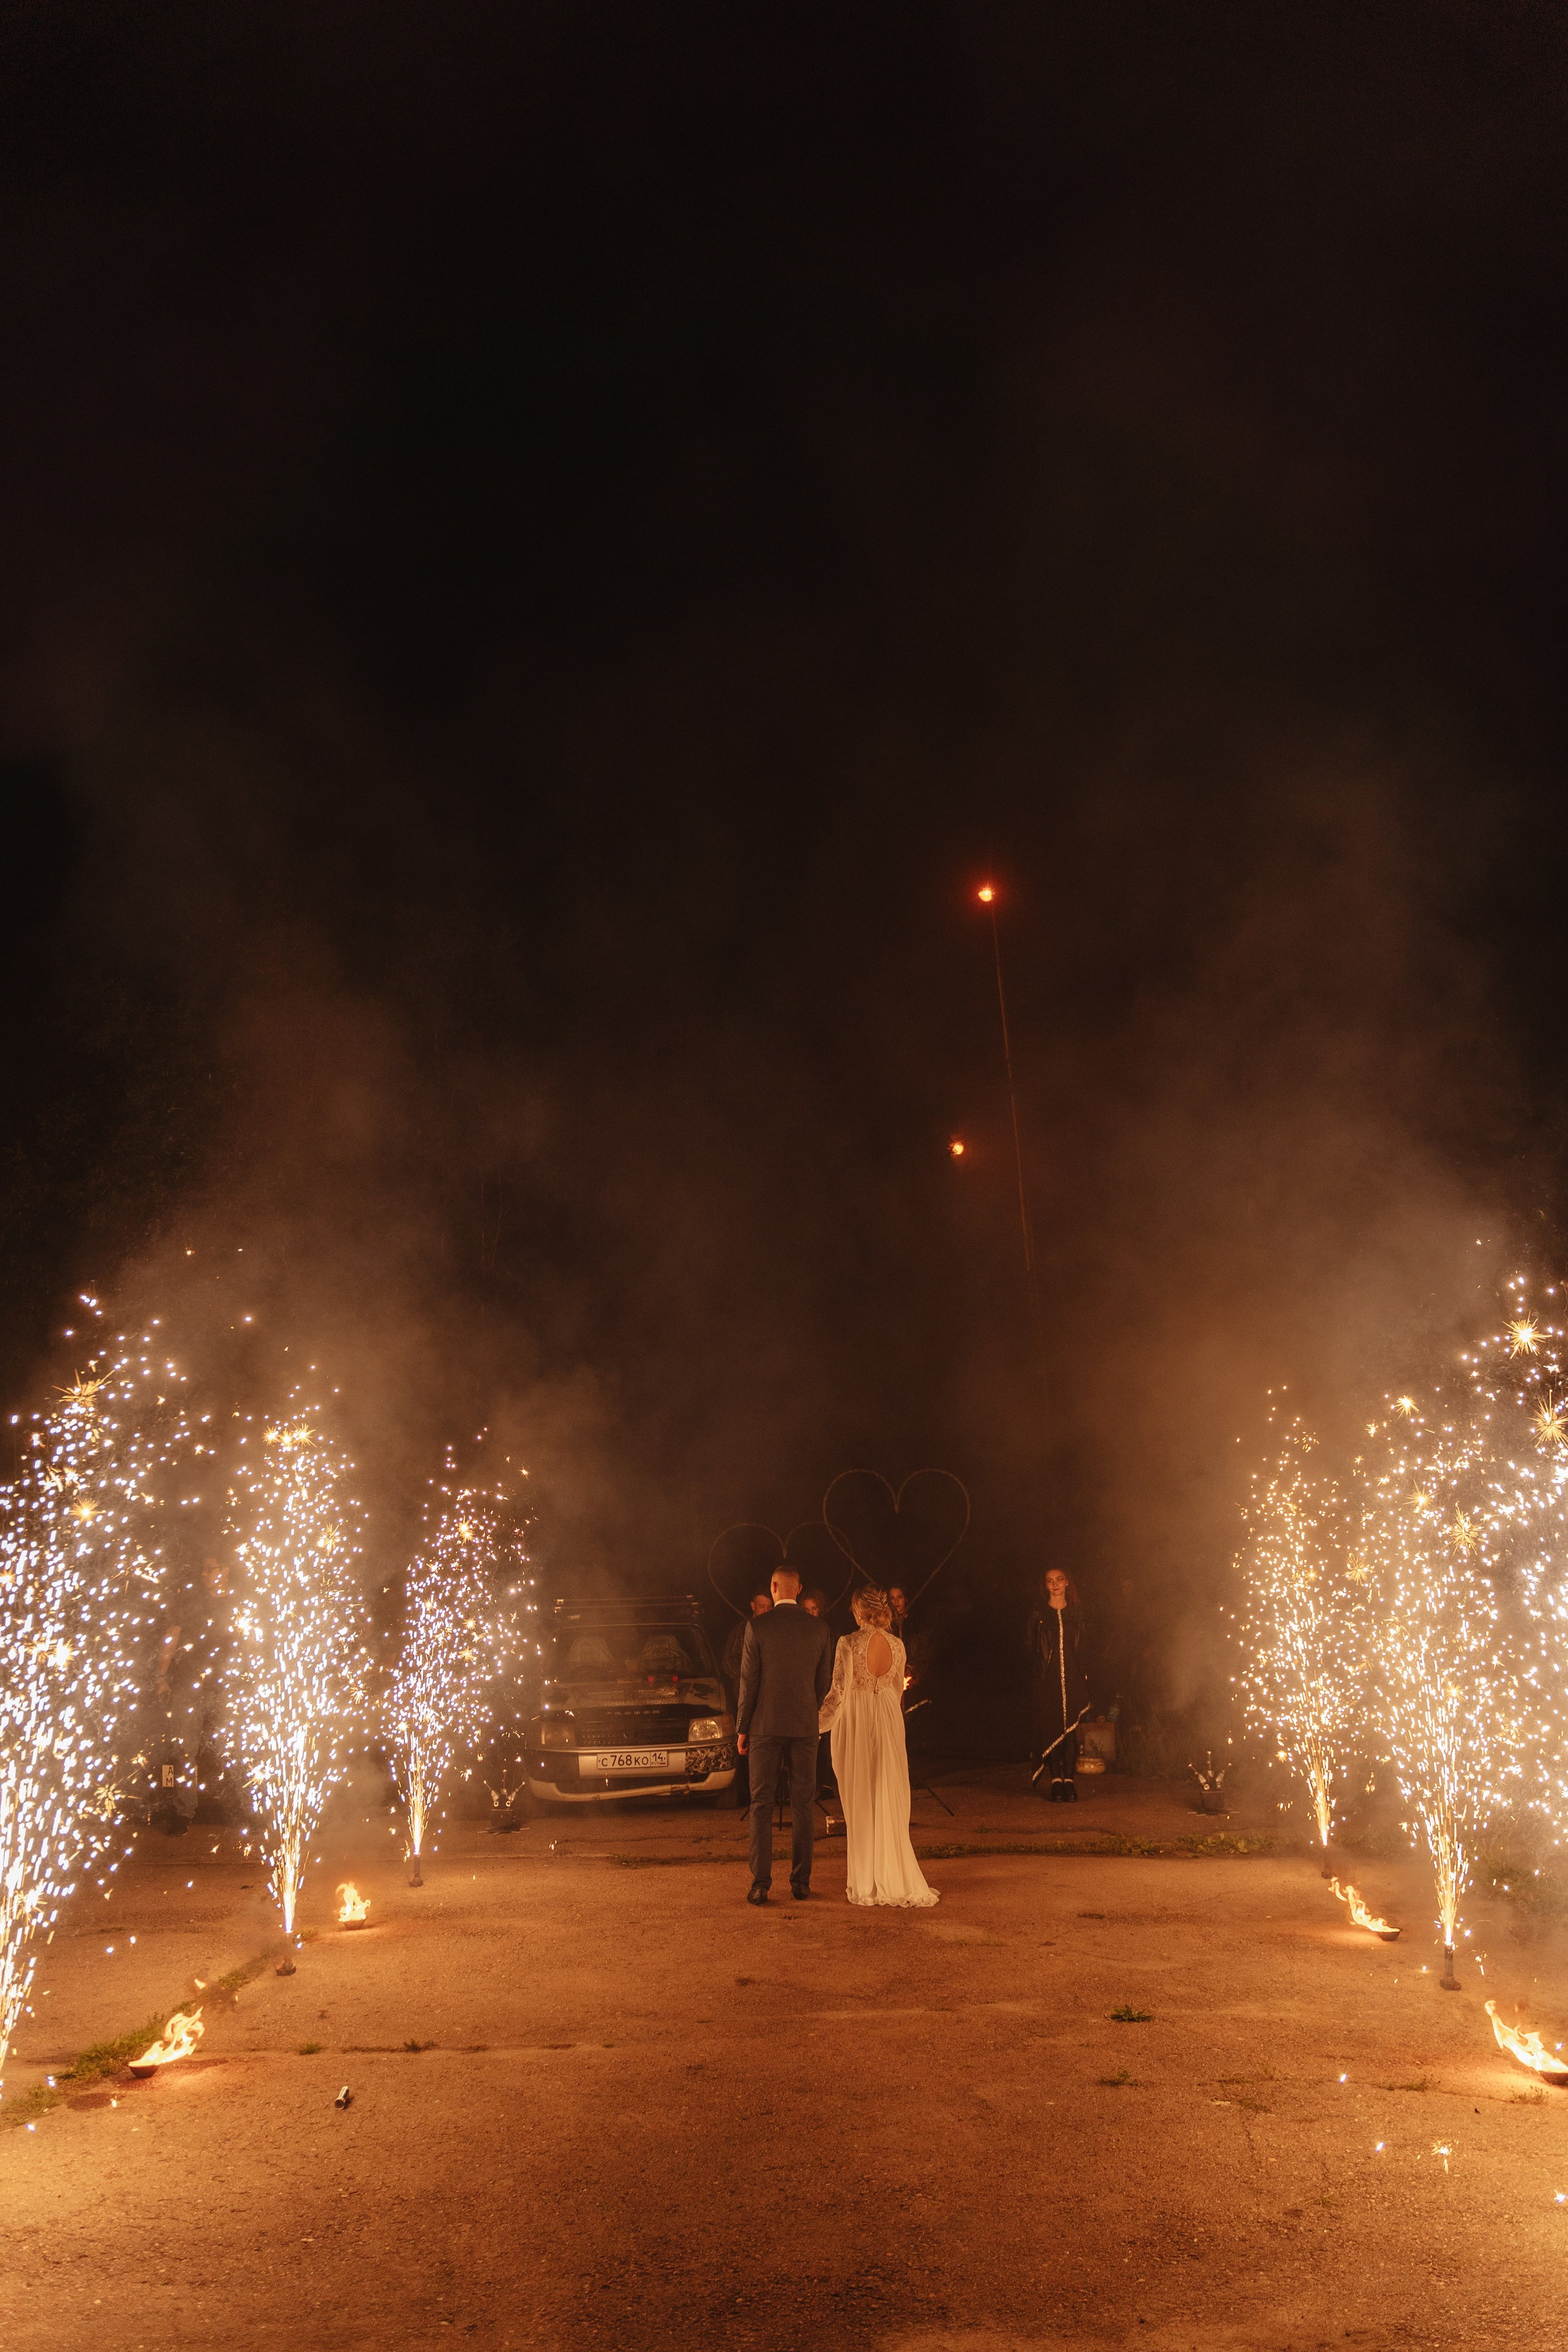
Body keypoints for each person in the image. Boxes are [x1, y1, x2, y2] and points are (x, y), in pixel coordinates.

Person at [818, 1585, 938, 1907]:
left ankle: (867, 1881)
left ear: (859, 1610)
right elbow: (898, 1690)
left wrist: (814, 1725)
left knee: (860, 1796)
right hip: (887, 1720)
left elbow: (838, 1693)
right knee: (887, 1790)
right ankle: (892, 1874)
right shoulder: (898, 1646)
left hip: (857, 1721)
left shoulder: (848, 1643)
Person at [736, 1566, 833, 1904]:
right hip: (805, 1727)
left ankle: (761, 1883)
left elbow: (749, 1682)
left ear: (774, 1587)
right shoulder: (820, 1628)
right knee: (803, 1804)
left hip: (765, 1725)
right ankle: (801, 1882)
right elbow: (824, 1683)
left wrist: (742, 1727)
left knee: (761, 1804)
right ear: (800, 1588)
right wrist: (809, 1707)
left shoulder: (757, 1626)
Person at [1028, 1566, 1090, 1801]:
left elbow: (1083, 1648)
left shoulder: (1076, 1614)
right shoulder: (1039, 1614)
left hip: (1073, 1676)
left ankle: (1070, 1781)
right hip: (1048, 1678)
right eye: (1049, 1581)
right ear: (1046, 1586)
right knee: (1052, 1727)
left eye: (1059, 1580)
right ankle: (1056, 1781)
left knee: (1071, 1730)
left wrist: (1084, 1675)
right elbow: (1032, 1646)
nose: (1054, 1584)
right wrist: (1040, 1675)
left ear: (1067, 1583)